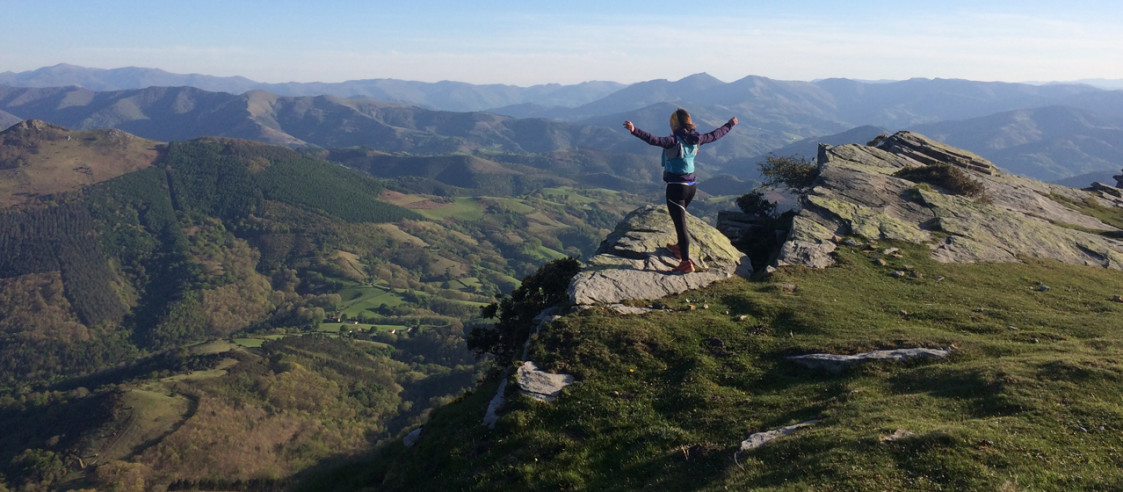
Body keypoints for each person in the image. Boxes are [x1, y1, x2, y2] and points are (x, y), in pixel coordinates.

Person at [623, 109, 737, 273]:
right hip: (691, 186)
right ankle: (679, 247)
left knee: (680, 225)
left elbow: (654, 140)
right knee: (679, 220)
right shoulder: (696, 139)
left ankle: (685, 261)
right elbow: (715, 134)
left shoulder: (674, 140)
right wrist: (730, 124)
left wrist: (634, 131)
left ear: (674, 124)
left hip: (676, 188)